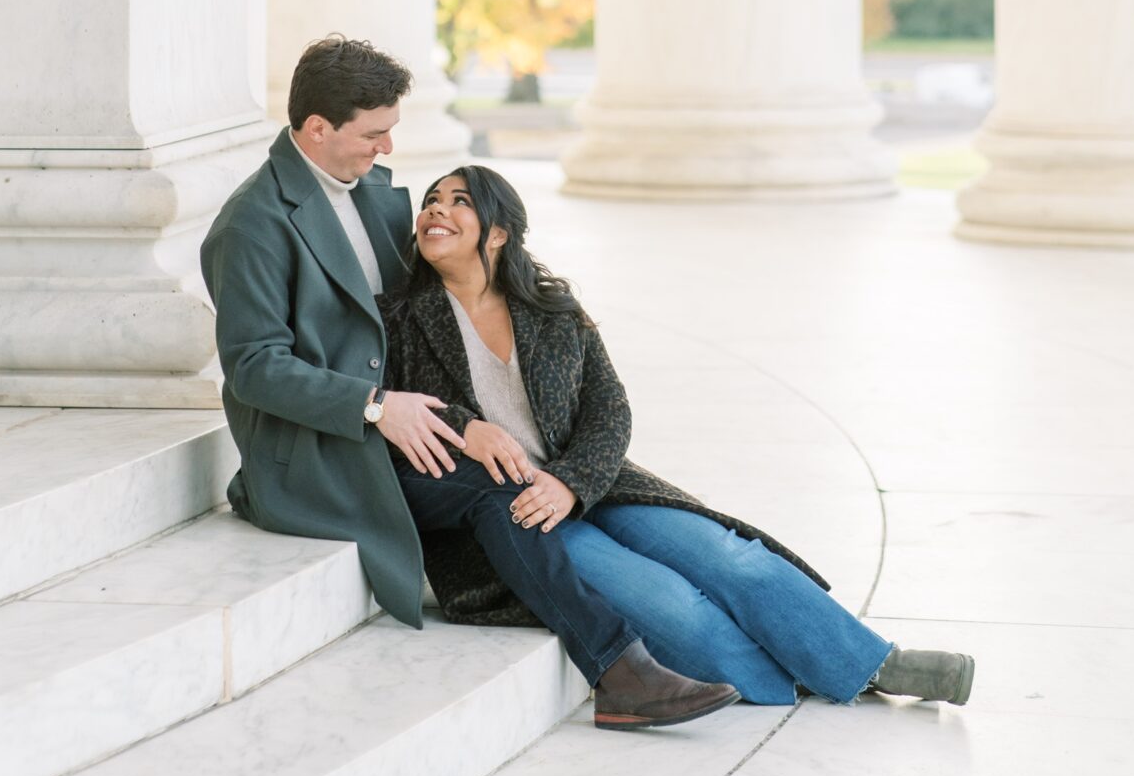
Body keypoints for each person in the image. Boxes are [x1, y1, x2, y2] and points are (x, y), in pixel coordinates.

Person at [201, 36, 736, 729]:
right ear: (316, 128)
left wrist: (472, 406)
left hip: (407, 429)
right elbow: (252, 367)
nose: (388, 147)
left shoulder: (376, 199)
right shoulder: (250, 225)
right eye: (374, 132)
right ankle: (618, 670)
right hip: (320, 449)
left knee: (511, 475)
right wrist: (373, 406)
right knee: (504, 490)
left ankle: (623, 670)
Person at [381, 163, 977, 708]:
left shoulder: (550, 310)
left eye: (458, 201)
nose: (436, 209)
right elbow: (398, 418)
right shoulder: (400, 321)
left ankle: (878, 665)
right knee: (668, 603)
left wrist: (571, 481)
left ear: (499, 232)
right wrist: (466, 429)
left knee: (733, 560)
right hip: (519, 516)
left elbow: (609, 410)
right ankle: (787, 677)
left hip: (599, 484)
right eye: (431, 200)